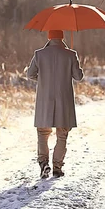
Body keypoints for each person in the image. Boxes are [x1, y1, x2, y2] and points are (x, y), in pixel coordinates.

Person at [26, 29, 84, 178]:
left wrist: (43, 80)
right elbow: (78, 77)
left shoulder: (39, 54)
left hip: (44, 100)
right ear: (62, 37)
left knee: (43, 133)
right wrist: (76, 63)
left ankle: (44, 164)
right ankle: (57, 167)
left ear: (49, 37)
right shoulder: (71, 54)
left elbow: (30, 74)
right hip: (64, 100)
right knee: (62, 134)